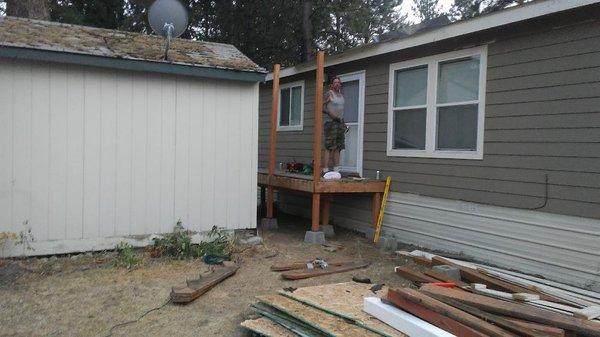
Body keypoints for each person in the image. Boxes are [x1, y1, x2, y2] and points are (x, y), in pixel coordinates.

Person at [322, 76, 346, 174]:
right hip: (330, 122)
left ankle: (336, 169)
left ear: (340, 85)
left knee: (338, 146)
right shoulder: (329, 94)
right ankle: (325, 169)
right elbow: (320, 106)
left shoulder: (341, 96)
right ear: (332, 85)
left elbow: (341, 110)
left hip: (339, 122)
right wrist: (330, 113)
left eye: (338, 82)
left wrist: (343, 122)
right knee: (329, 146)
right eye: (335, 82)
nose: (337, 84)